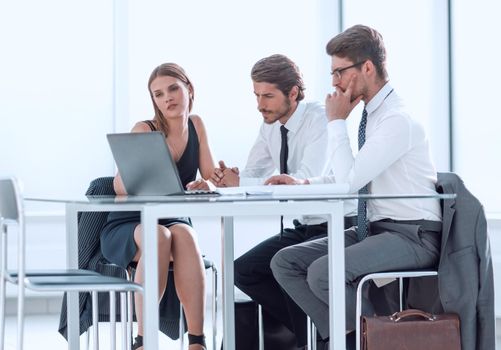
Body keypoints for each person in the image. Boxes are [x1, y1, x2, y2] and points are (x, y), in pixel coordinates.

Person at [268, 24, 442, 347]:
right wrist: (304, 182)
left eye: (339, 72)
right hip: (378, 229)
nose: (334, 82)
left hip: (413, 235)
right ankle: (348, 337)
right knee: (285, 262)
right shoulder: (371, 116)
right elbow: (352, 175)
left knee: (323, 273)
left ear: (367, 68)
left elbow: (350, 182)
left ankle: (379, 339)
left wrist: (335, 122)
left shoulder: (395, 120)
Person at [211, 54, 356, 348]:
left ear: (292, 93)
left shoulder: (318, 119)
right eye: (256, 95)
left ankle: (315, 338)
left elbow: (305, 180)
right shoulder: (270, 124)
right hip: (306, 226)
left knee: (284, 266)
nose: (260, 104)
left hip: (337, 226)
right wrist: (225, 180)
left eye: (267, 95)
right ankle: (315, 336)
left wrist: (244, 182)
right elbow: (253, 174)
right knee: (244, 270)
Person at [101, 63, 216, 350]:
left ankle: (197, 341)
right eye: (159, 94)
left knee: (186, 235)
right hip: (131, 223)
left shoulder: (196, 124)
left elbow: (211, 176)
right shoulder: (145, 129)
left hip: (172, 218)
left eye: (173, 88)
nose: (168, 98)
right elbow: (119, 187)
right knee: (159, 236)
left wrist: (214, 183)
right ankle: (142, 340)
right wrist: (146, 166)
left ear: (188, 88)